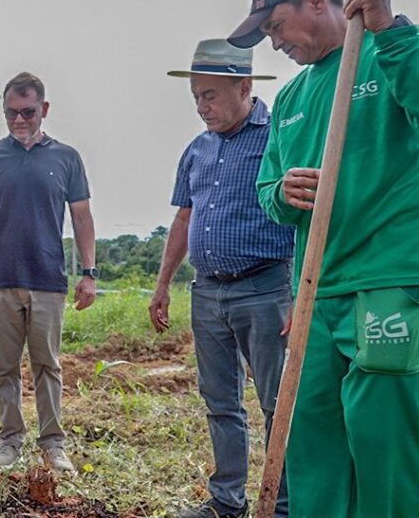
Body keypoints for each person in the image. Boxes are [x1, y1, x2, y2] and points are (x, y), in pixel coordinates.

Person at [228, 0, 419, 517]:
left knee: (381, 442)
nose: (275, 45)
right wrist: (282, 191)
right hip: (318, 293)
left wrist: (391, 32)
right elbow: (268, 190)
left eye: (276, 28)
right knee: (312, 443)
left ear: (317, 0)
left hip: (394, 281)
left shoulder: (398, 47)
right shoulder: (291, 100)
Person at [153, 39, 293, 518]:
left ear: (244, 87)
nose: (201, 107)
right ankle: (225, 501)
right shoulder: (198, 149)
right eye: (195, 96)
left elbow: (302, 214)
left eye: (210, 95)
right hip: (208, 290)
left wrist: (299, 292)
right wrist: (162, 285)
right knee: (219, 400)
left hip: (267, 287)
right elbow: (183, 220)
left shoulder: (278, 137)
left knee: (278, 401)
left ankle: (281, 505)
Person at [0, 72, 96, 473]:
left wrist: (89, 272)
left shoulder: (66, 158)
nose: (19, 120)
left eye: (27, 112)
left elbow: (82, 216)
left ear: (44, 109)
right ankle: (9, 439)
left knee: (48, 366)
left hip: (47, 279)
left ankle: (53, 443)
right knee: (4, 367)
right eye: (11, 113)